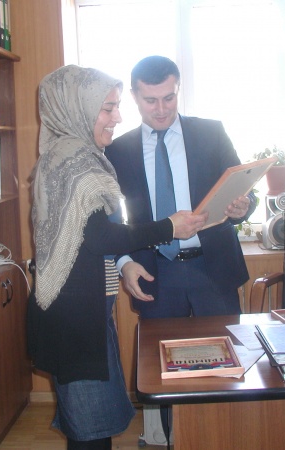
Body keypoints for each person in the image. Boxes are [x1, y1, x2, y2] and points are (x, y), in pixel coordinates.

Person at [27, 65, 207, 450]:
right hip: (76, 321)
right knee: (90, 430)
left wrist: (127, 260)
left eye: (117, 106)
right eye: (107, 108)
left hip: (84, 313)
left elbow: (91, 237)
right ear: (77, 109)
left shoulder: (70, 156)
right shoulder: (73, 161)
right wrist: (169, 227)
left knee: (91, 425)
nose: (118, 117)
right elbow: (101, 238)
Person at [105, 55, 257, 319]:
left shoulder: (211, 133)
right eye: (150, 100)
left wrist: (243, 207)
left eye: (169, 98)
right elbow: (110, 218)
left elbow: (243, 189)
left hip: (213, 268)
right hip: (154, 273)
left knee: (226, 345)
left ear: (178, 89)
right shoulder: (118, 151)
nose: (161, 109)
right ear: (134, 96)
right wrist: (123, 261)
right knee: (158, 347)